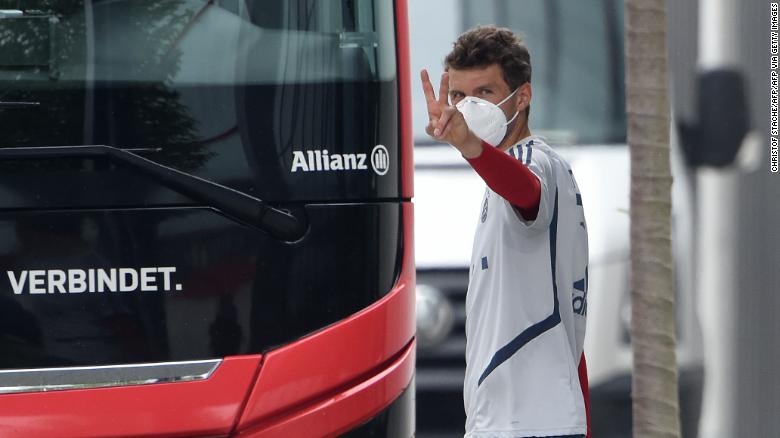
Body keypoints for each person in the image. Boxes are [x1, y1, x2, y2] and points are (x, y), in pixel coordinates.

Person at [420, 25, 591, 438]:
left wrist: (471, 147)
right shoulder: (505, 172)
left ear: (523, 96)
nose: (467, 108)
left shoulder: (537, 163)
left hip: (528, 421)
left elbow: (525, 189)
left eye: (485, 93)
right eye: (459, 96)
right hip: (520, 418)